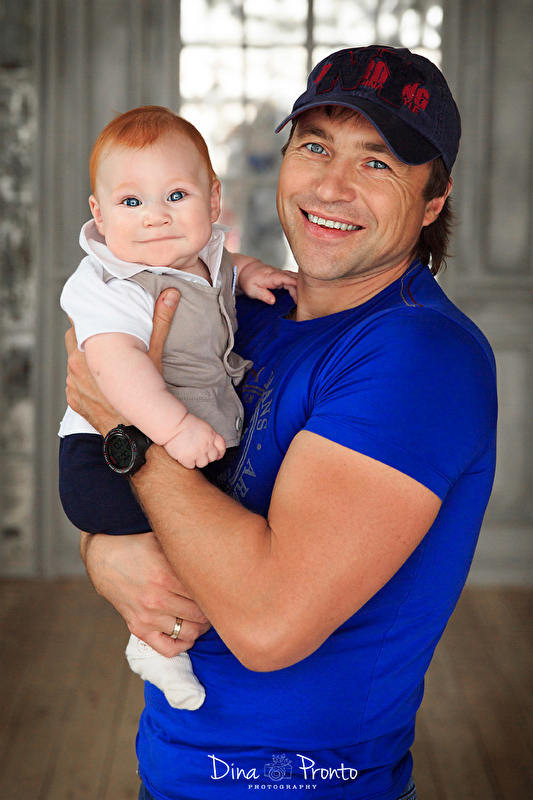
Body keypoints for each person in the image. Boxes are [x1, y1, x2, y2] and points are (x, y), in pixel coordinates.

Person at [64, 46, 497, 800]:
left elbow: (268, 626)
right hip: (174, 764)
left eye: (377, 162)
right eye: (315, 147)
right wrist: (104, 551)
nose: (330, 186)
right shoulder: (247, 313)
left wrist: (125, 433)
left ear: (433, 201)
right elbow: (115, 467)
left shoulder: (418, 356)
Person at [58, 105, 297, 711]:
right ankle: (156, 649)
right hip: (103, 457)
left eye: (176, 195)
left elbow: (221, 272)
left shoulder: (204, 255)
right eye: (131, 201)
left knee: (198, 544)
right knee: (174, 556)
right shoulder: (111, 282)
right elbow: (114, 368)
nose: (155, 215)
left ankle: (173, 641)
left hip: (168, 448)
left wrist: (251, 275)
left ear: (213, 201)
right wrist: (178, 427)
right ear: (99, 214)